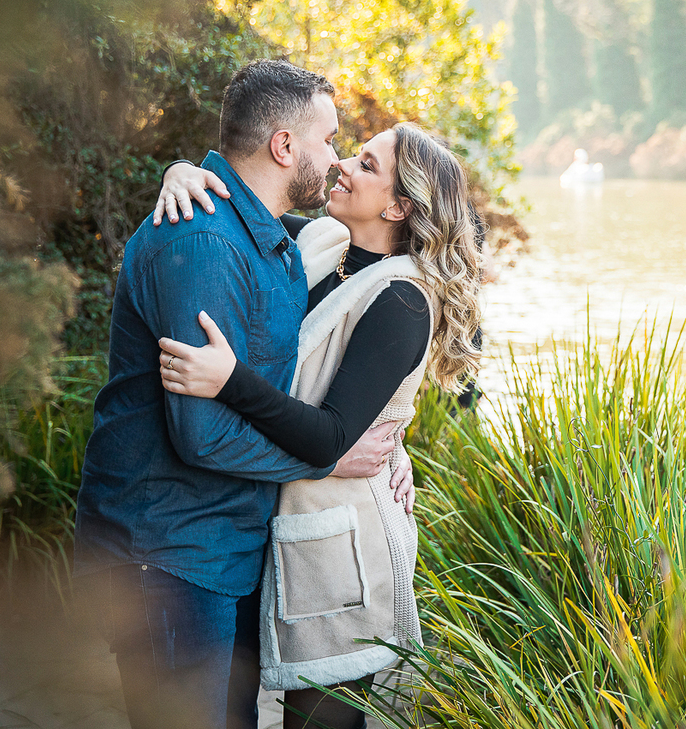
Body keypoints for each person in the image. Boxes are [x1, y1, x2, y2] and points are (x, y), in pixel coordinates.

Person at [73, 59, 407, 729]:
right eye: (329, 140)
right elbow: (201, 435)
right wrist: (327, 460)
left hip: (227, 550)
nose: (336, 160)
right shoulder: (204, 242)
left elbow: (321, 368)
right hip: (167, 553)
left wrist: (393, 439)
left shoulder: (275, 240)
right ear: (284, 146)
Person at [154, 122, 482, 729]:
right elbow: (242, 206)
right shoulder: (326, 242)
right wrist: (181, 172)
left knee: (319, 723)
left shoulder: (403, 301)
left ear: (398, 206)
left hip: (343, 548)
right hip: (282, 519)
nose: (342, 167)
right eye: (352, 155)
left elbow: (331, 436)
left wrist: (229, 380)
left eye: (366, 165)